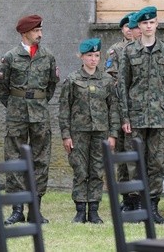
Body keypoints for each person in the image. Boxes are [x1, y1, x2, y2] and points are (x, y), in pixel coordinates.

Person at [0, 14, 59, 225]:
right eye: (36, 31)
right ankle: (17, 209)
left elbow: (51, 86)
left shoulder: (48, 57)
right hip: (17, 116)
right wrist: (17, 105)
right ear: (25, 33)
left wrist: (37, 102)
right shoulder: (10, 57)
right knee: (14, 159)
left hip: (40, 115)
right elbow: (2, 90)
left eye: (41, 30)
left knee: (40, 160)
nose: (40, 34)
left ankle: (35, 209)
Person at [118, 6, 164, 224]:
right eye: (144, 23)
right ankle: (138, 205)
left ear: (157, 24)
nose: (148, 26)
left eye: (152, 22)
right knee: (135, 163)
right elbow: (122, 87)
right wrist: (125, 117)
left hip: (160, 117)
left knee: (157, 163)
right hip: (136, 117)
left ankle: (152, 207)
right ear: (139, 27)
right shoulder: (129, 51)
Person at [59, 38, 119, 224]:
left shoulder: (107, 80)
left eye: (96, 55)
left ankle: (94, 210)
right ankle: (79, 210)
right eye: (89, 55)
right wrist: (66, 135)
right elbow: (64, 109)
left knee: (97, 170)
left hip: (100, 132)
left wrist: (112, 134)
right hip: (79, 133)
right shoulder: (72, 80)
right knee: (80, 170)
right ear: (81, 57)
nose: (93, 59)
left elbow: (114, 109)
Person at [104, 12, 134, 211]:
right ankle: (127, 198)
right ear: (122, 29)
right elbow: (110, 78)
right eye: (127, 27)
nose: (131, 30)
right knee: (123, 155)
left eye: (134, 26)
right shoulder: (115, 50)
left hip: (139, 107)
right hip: (120, 105)